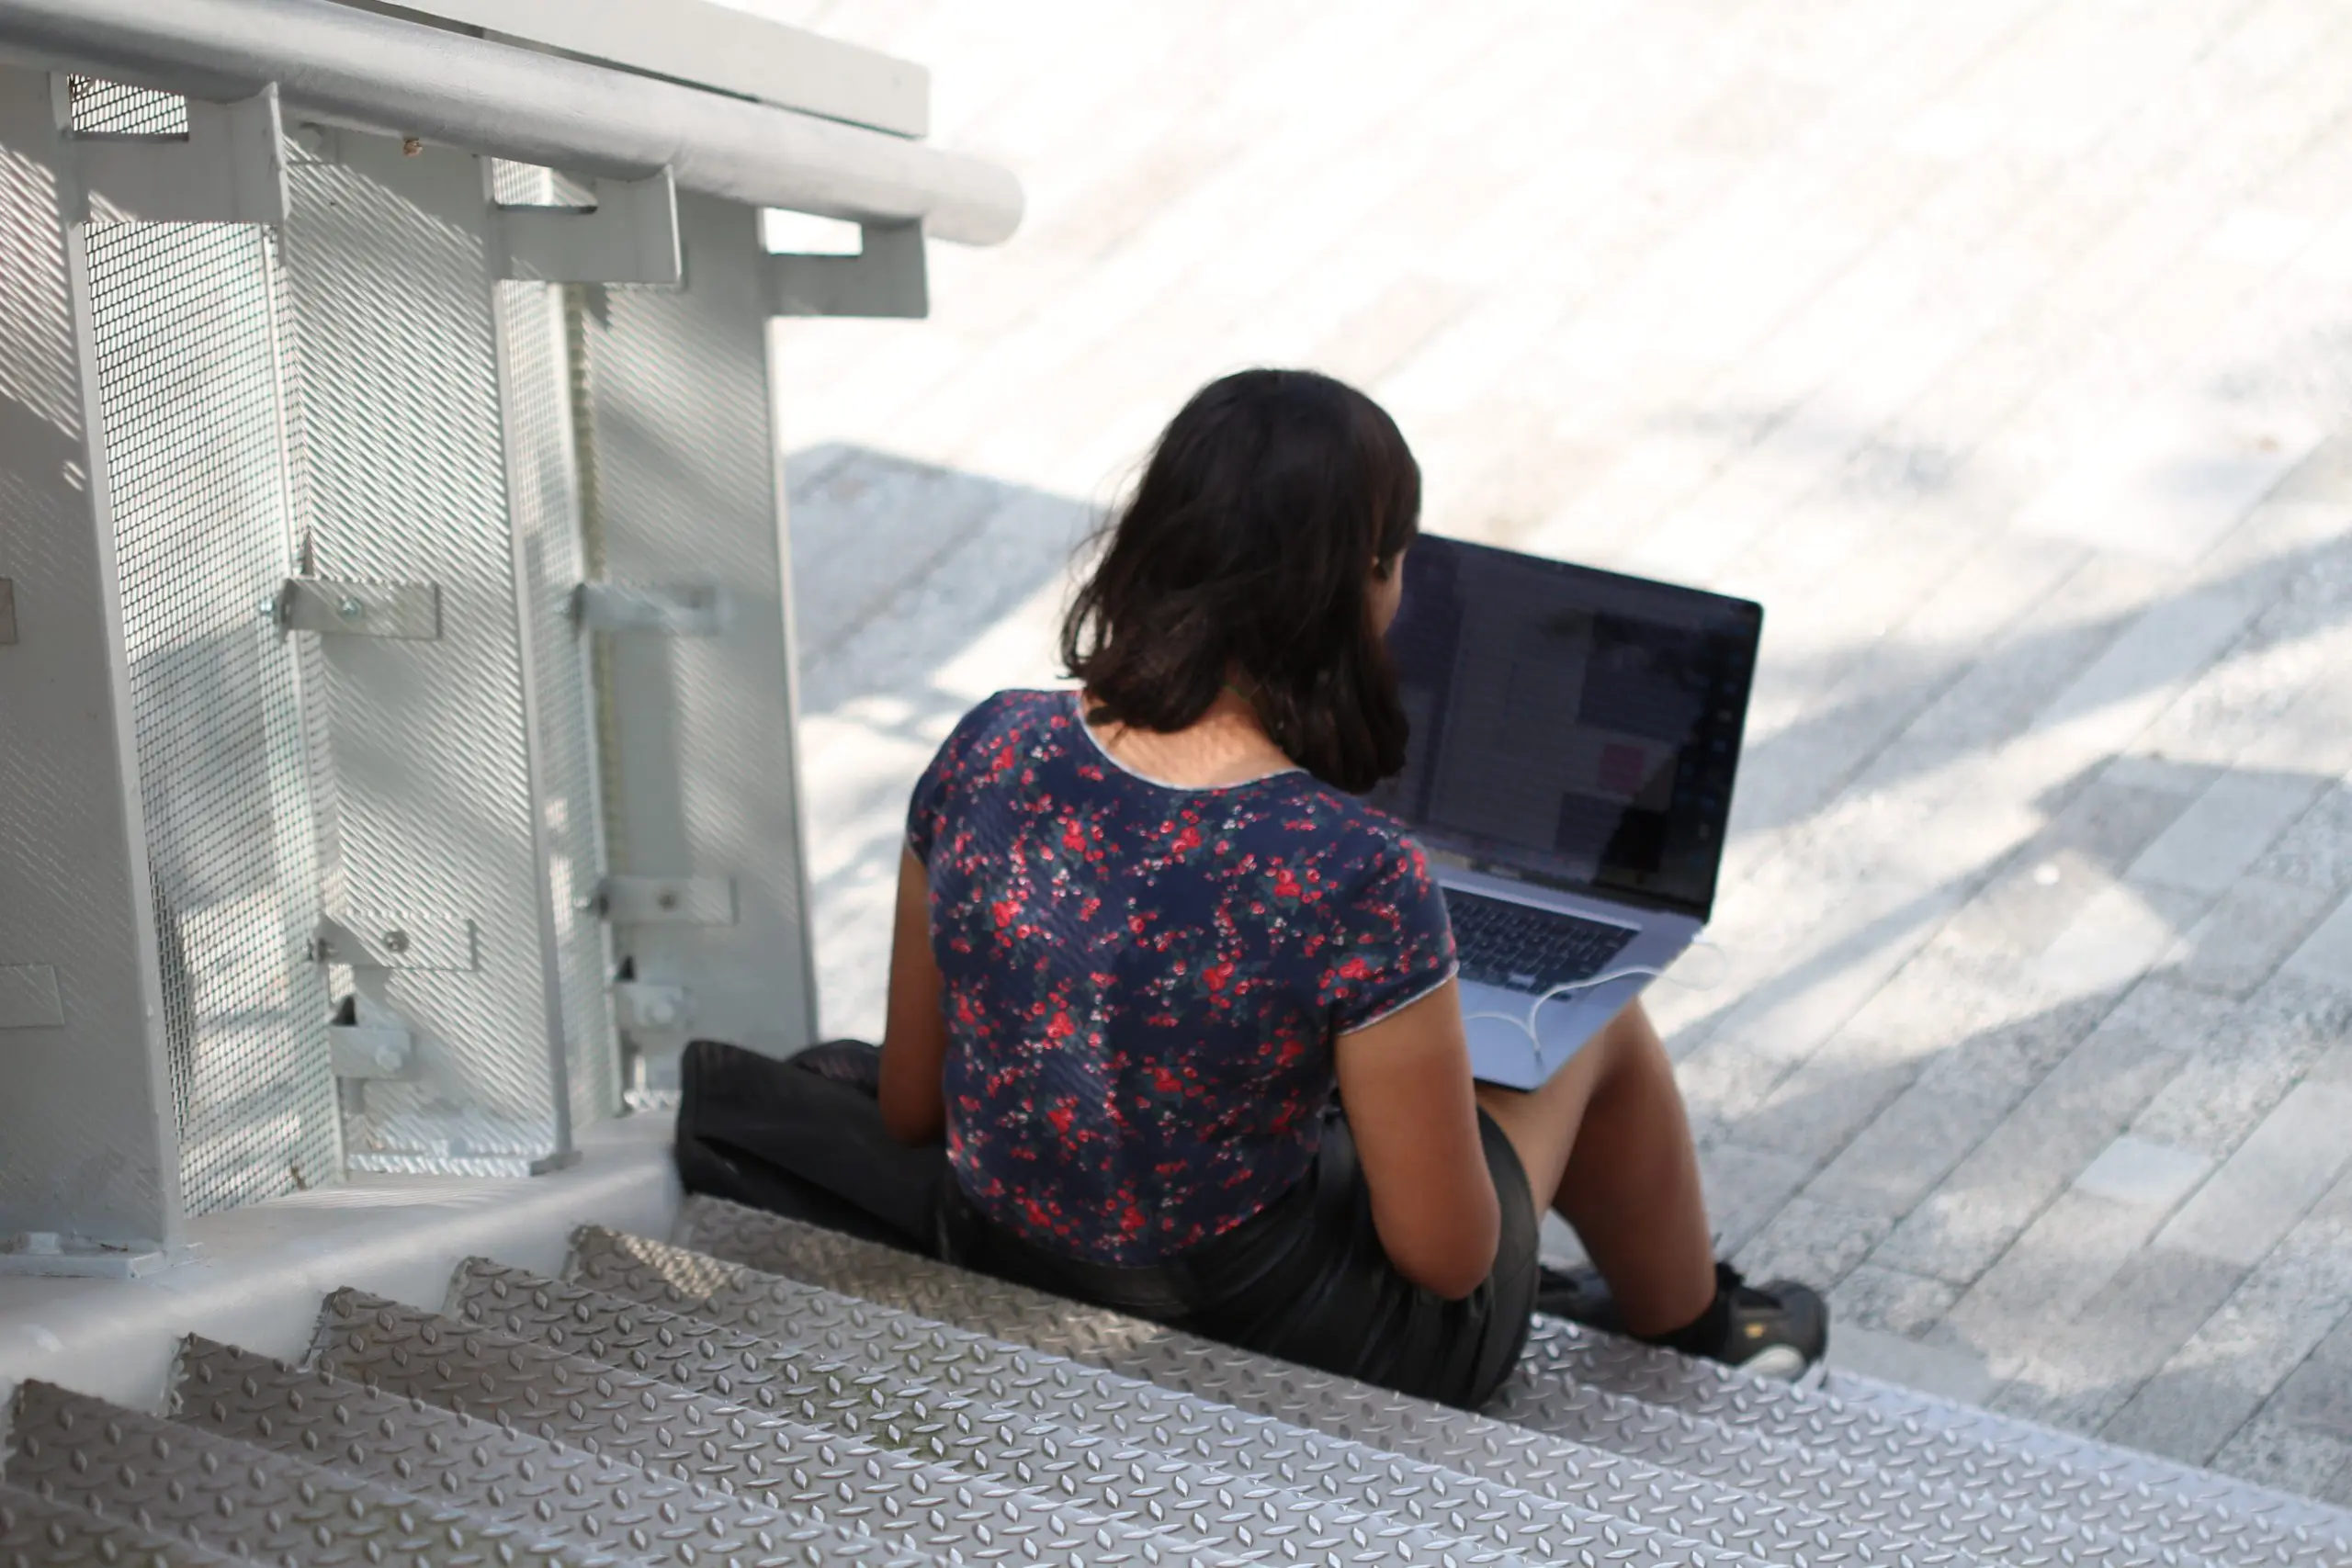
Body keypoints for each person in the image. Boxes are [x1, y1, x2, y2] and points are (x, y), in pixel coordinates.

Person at [675, 367, 1826, 1408]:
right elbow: (1444, 1260)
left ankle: (1683, 1317)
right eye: (1397, 558)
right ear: (1365, 585)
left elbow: (912, 1111)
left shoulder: (989, 748)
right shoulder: (1352, 873)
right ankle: (1697, 1329)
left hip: (1005, 1249)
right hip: (1280, 1332)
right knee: (1596, 1028)